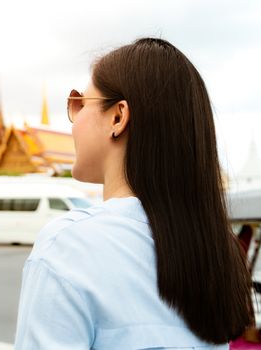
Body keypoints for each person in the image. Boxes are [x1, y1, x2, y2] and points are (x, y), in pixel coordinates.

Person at [14, 38, 253, 349]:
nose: (72, 120)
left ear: (117, 117)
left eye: (79, 102)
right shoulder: (213, 251)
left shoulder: (68, 246)